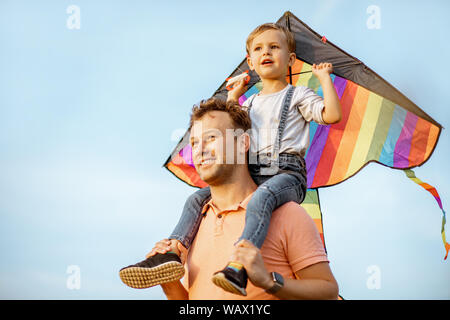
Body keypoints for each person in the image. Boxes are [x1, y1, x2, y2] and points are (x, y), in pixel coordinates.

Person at [119, 22, 342, 295]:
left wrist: (323, 80)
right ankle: (172, 254)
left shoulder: (297, 95)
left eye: (274, 47)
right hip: (257, 169)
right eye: (259, 48)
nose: (266, 52)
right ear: (250, 61)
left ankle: (239, 263)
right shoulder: (250, 103)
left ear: (292, 59)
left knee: (262, 198)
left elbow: (331, 115)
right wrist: (169, 281)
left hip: (285, 171)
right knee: (195, 198)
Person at [156, 98, 338, 299]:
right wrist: (169, 282)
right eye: (194, 143)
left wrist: (269, 282)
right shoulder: (193, 224)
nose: (200, 150)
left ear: (243, 143)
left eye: (211, 138)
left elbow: (328, 293)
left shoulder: (286, 214)